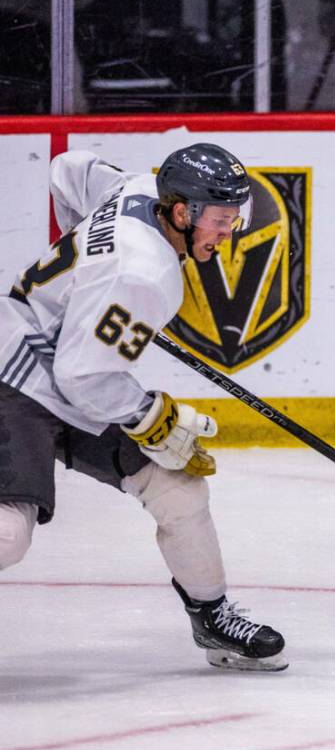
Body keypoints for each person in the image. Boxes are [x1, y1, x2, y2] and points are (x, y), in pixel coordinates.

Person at [0, 144, 287, 672]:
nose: (229, 233)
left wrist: (85, 280)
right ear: (182, 213)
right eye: (221, 220)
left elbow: (69, 169)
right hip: (13, 374)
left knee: (177, 489)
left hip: (59, 371)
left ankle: (213, 617)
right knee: (8, 534)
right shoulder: (145, 274)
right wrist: (151, 414)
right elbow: (83, 376)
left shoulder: (137, 188)